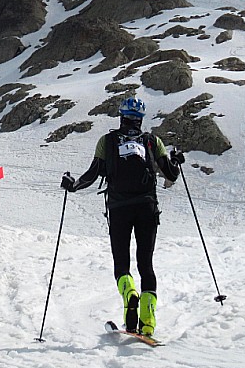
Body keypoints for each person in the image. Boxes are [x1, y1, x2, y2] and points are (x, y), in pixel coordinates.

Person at [61, 97, 185, 336]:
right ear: (140, 119)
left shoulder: (107, 141)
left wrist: (73, 185)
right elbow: (170, 173)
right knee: (146, 265)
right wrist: (176, 162)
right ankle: (147, 322)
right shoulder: (152, 141)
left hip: (119, 209)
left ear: (121, 116)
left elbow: (93, 173)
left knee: (122, 264)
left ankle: (129, 295)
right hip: (147, 207)